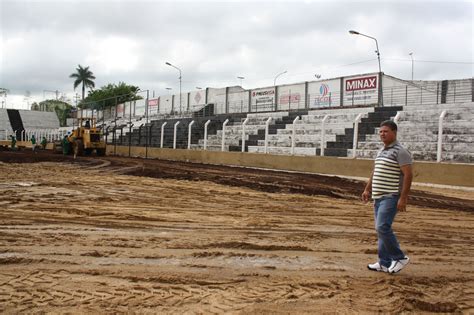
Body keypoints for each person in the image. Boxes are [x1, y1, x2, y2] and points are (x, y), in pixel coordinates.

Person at [362, 120, 413, 274]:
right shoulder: (381, 151)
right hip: (378, 197)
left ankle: (399, 257)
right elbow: (375, 171)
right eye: (381, 132)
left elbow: (408, 175)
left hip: (390, 196)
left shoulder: (401, 151)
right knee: (381, 229)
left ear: (394, 132)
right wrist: (367, 189)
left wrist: (403, 198)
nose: (382, 134)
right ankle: (384, 263)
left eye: (386, 131)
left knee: (382, 227)